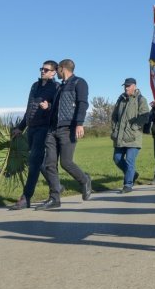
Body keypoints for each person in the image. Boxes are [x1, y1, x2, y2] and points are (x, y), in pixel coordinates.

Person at [36, 59, 92, 210]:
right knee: (49, 164)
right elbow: (57, 108)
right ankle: (55, 198)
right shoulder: (60, 87)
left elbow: (82, 103)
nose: (57, 72)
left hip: (68, 129)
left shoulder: (79, 82)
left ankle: (84, 179)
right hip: (52, 130)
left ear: (62, 69)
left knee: (66, 162)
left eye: (57, 69)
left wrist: (79, 123)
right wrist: (49, 107)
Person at [8, 61, 59, 210]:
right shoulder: (34, 86)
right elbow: (29, 108)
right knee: (39, 162)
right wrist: (21, 127)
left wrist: (48, 107)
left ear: (53, 72)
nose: (43, 71)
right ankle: (57, 186)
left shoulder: (56, 87)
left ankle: (26, 197)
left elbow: (57, 109)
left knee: (34, 162)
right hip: (31, 128)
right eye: (41, 69)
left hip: (44, 128)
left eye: (46, 69)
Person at [111, 78, 150, 193]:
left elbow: (145, 116)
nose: (126, 88)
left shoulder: (141, 99)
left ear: (134, 86)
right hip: (120, 136)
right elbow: (114, 116)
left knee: (129, 160)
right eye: (125, 86)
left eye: (128, 86)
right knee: (117, 158)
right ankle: (133, 174)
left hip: (133, 137)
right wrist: (114, 128)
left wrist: (134, 127)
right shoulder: (121, 99)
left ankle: (128, 184)